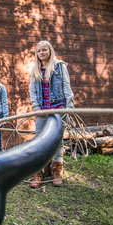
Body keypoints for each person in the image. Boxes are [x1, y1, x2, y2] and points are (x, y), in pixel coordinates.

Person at [29, 41, 74, 187]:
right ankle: (38, 172)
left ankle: (57, 171)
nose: (42, 53)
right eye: (39, 51)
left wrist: (69, 107)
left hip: (58, 109)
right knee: (39, 140)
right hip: (42, 110)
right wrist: (36, 107)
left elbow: (66, 86)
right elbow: (33, 90)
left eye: (44, 50)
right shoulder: (35, 69)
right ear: (37, 53)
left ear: (50, 51)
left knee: (58, 140)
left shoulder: (60, 66)